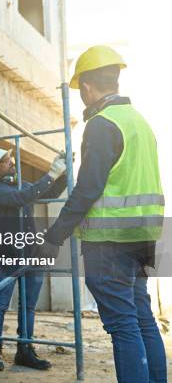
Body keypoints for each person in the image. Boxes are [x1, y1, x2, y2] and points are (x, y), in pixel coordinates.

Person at [43, 46, 166, 383]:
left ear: (85, 87)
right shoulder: (139, 122)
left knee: (123, 325)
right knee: (141, 318)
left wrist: (55, 236)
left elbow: (87, 190)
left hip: (108, 242)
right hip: (141, 238)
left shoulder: (101, 124)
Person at [0, 147, 66, 371]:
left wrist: (63, 171)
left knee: (28, 306)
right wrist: (50, 173)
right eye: (5, 160)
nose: (11, 162)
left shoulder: (22, 185)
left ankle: (25, 351)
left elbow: (50, 193)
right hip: (7, 255)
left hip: (31, 253)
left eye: (9, 158)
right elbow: (22, 199)